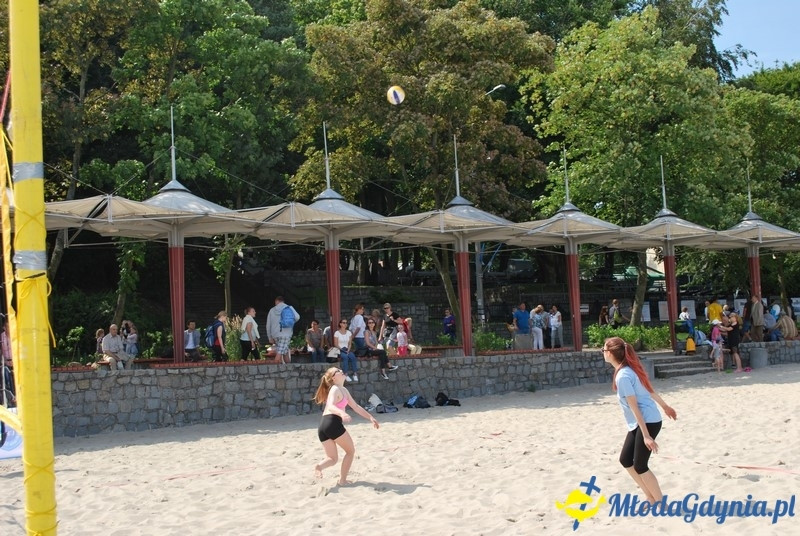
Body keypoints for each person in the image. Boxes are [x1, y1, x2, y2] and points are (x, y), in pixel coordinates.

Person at [602, 336, 677, 504]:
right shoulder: (627, 369)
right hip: (642, 421)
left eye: (604, 349)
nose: (603, 352)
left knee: (640, 465)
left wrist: (646, 436)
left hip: (647, 421)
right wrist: (665, 407)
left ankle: (659, 501)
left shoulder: (624, 375)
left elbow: (635, 406)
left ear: (611, 353)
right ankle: (650, 496)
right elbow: (648, 390)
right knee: (625, 460)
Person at [313, 367, 379, 485]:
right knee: (350, 451)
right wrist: (342, 413)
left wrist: (370, 417)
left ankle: (319, 467)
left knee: (332, 459)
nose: (341, 370)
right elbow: (330, 406)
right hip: (332, 423)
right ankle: (342, 480)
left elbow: (356, 407)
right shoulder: (335, 389)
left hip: (323, 426)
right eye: (337, 371)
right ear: (333, 377)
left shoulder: (343, 390)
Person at [266, 296, 299, 364]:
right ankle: (274, 370)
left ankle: (288, 367)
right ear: (283, 301)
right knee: (280, 353)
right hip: (286, 334)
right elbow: (297, 317)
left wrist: (270, 337)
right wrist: (291, 323)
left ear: (276, 301)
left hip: (275, 334)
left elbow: (268, 324)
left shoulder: (272, 310)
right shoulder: (289, 307)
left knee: (285, 351)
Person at [1, 320, 15, 407]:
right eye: (7, 327)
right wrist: (5, 362)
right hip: (5, 362)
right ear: (4, 328)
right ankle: (11, 397)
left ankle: (16, 396)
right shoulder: (1, 338)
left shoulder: (15, 336)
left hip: (15, 361)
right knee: (6, 377)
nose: (10, 329)